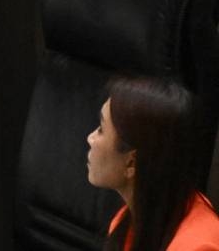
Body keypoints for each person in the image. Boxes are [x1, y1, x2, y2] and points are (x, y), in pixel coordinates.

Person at [87, 77, 219, 250]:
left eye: (101, 129)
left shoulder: (197, 245)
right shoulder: (128, 222)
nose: (90, 138)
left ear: (131, 162)